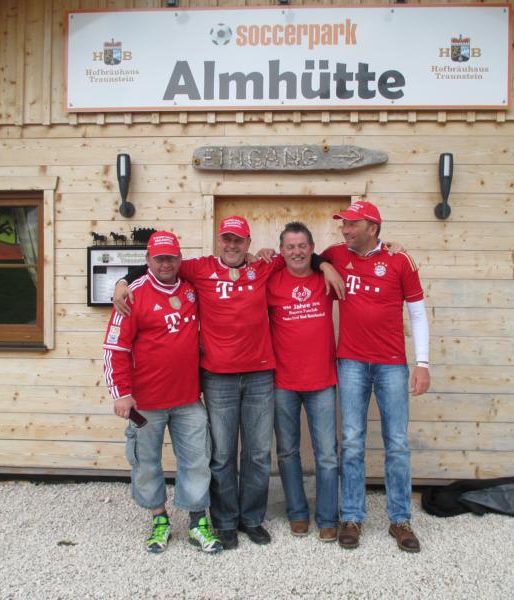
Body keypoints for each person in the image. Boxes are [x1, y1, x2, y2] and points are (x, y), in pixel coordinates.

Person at [113, 216, 344, 550]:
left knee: (258, 453)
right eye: (227, 239)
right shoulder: (199, 269)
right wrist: (123, 281)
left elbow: (300, 256)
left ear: (248, 243)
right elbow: (161, 267)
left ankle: (251, 518)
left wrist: (325, 265)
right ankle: (224, 522)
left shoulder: (264, 266)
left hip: (260, 375)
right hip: (218, 377)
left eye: (239, 240)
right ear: (218, 241)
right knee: (221, 455)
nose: (232, 245)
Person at [102, 231, 222, 554]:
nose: (166, 264)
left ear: (180, 259)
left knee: (197, 460)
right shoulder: (133, 296)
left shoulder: (191, 288)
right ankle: (159, 519)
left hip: (188, 399)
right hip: (145, 404)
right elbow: (114, 348)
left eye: (171, 258)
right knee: (146, 462)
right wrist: (121, 393)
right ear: (147, 260)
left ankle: (198, 522)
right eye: (159, 258)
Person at [321, 200, 430, 553]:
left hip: (391, 365)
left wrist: (423, 363)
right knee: (352, 441)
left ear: (373, 228)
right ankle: (352, 517)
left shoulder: (400, 260)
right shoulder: (337, 254)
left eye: (352, 224)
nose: (345, 230)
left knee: (396, 443)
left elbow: (417, 313)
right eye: (344, 224)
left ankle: (400, 520)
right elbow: (310, 258)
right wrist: (325, 266)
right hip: (351, 362)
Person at [266, 222, 339, 543]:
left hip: (322, 380)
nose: (297, 252)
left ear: (311, 248)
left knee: (327, 454)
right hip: (283, 382)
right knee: (287, 452)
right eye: (290, 247)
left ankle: (327, 517)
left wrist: (325, 265)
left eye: (302, 246)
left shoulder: (327, 277)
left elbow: (350, 258)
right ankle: (297, 513)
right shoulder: (271, 281)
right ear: (282, 251)